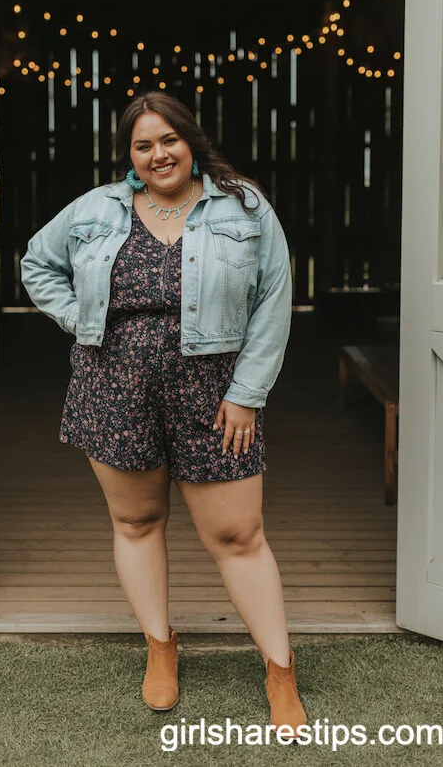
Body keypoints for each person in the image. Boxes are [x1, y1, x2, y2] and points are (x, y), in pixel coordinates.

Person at [20, 90, 307, 739]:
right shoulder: (97, 208)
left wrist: (247, 392)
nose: (158, 154)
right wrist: (79, 320)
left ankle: (280, 670)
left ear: (190, 140)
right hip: (112, 386)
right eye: (143, 145)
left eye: (168, 139)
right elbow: (38, 263)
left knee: (239, 535)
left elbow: (274, 300)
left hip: (215, 395)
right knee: (136, 522)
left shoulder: (243, 206)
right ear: (129, 155)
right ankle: (160, 645)